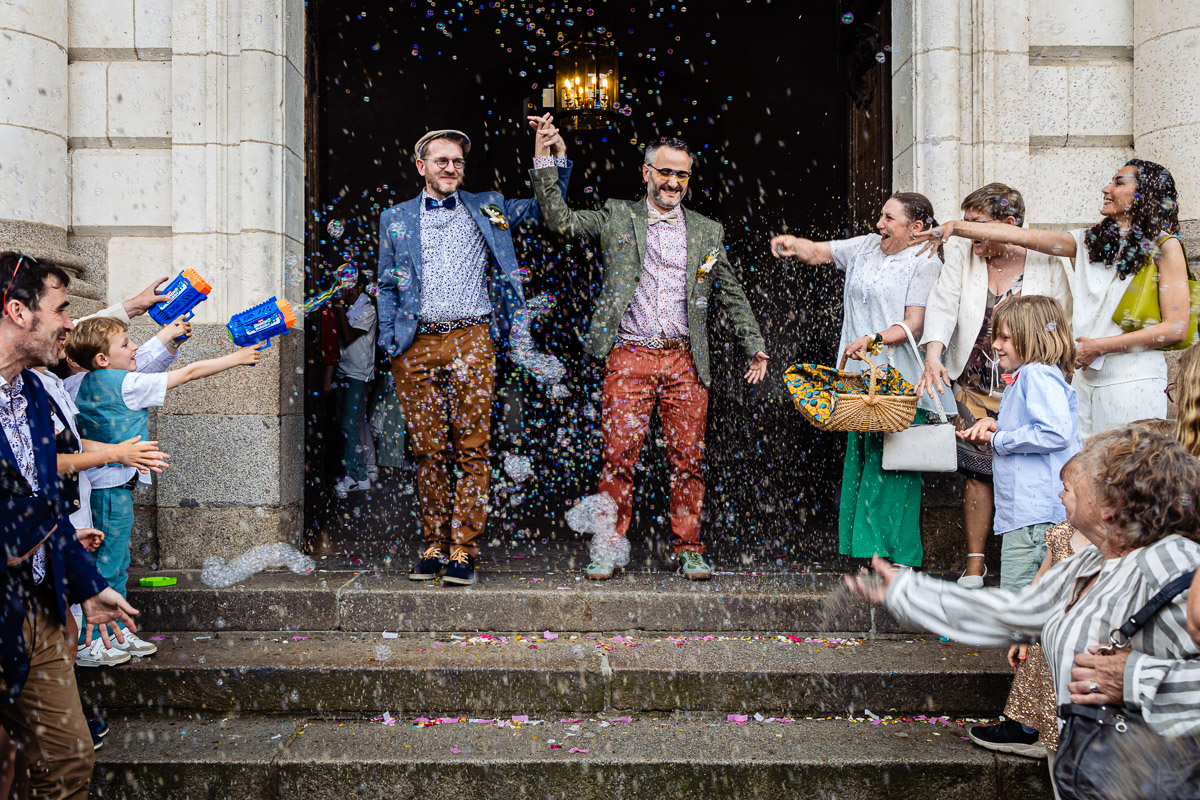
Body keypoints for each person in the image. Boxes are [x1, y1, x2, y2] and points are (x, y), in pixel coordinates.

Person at [845, 425, 1200, 794]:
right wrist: (907, 591)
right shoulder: (1091, 563)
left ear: (1115, 505)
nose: (1067, 486)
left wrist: (1134, 678)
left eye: (1082, 479)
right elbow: (1013, 613)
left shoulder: (1173, 564)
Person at [531, 125, 768, 581]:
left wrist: (753, 345)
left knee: (688, 461)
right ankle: (607, 547)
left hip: (684, 360)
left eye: (682, 175)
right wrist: (547, 161)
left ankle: (689, 547)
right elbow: (559, 221)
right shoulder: (617, 216)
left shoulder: (707, 230)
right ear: (646, 173)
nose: (674, 182)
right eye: (665, 172)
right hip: (629, 355)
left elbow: (731, 293)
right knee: (618, 458)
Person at [377, 123, 572, 586]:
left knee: (472, 448)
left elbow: (549, 210)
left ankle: (463, 548)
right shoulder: (396, 217)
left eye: (458, 162)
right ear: (421, 166)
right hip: (417, 343)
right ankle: (433, 543)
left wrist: (550, 159)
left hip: (472, 339)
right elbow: (386, 282)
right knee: (427, 451)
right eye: (442, 161)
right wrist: (390, 340)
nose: (451, 168)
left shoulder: (489, 205)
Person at [0, 251, 139, 799]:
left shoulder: (35, 393)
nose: (69, 325)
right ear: (17, 310)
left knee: (67, 763)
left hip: (38, 606)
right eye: (60, 310)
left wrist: (86, 585)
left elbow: (40, 500)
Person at [915, 160, 1190, 436]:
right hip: (1085, 380)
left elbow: (1176, 328)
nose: (1106, 188)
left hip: (1133, 381)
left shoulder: (1165, 246)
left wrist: (1101, 346)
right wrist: (953, 227)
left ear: (1145, 193)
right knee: (1080, 471)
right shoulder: (1086, 242)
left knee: (1125, 472)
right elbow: (1017, 235)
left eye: (1119, 183)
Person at [65, 316, 262, 651]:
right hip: (113, 488)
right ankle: (99, 640)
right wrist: (236, 358)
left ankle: (116, 633)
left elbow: (144, 362)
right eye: (126, 344)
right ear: (102, 359)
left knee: (109, 561)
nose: (134, 349)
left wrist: (167, 339)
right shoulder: (126, 384)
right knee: (111, 564)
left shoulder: (74, 385)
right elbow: (188, 373)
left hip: (93, 486)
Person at [771, 193, 942, 568]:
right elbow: (819, 252)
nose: (878, 224)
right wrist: (791, 244)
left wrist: (876, 338)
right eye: (880, 215)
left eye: (888, 218)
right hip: (857, 378)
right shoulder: (866, 246)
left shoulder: (925, 261)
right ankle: (869, 555)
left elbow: (915, 322)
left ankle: (898, 558)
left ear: (915, 227)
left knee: (895, 467)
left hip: (897, 380)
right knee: (863, 462)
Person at [916, 184, 1073, 587]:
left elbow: (1060, 319)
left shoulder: (1045, 260)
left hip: (1026, 380)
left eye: (977, 225)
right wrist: (934, 355)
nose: (968, 234)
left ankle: (1030, 558)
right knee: (976, 473)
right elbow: (943, 302)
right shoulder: (963, 254)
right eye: (964, 225)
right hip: (972, 381)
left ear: (1009, 225)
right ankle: (975, 561)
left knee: (1024, 460)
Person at [957, 296, 1080, 590]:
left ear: (1033, 338)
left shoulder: (1036, 375)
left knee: (1020, 610)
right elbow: (1037, 426)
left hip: (1035, 522)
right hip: (1030, 518)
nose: (996, 345)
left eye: (1005, 338)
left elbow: (1055, 433)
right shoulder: (1031, 375)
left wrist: (999, 439)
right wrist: (996, 424)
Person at [331, 273, 378, 498]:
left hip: (358, 374)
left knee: (349, 425)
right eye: (343, 288)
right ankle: (359, 475)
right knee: (347, 425)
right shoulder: (351, 308)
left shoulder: (368, 310)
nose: (346, 292)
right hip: (344, 370)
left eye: (350, 288)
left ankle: (356, 476)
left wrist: (339, 308)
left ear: (360, 288)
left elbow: (349, 336)